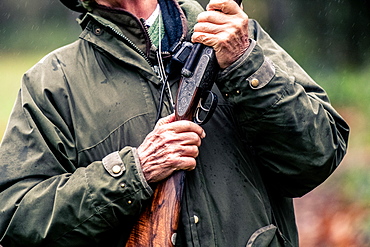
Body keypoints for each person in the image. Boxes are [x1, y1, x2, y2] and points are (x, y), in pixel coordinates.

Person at [0, 0, 349, 246]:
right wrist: (133, 172)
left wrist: (244, 63)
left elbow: (318, 156)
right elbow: (15, 216)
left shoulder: (238, 37)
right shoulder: (51, 82)